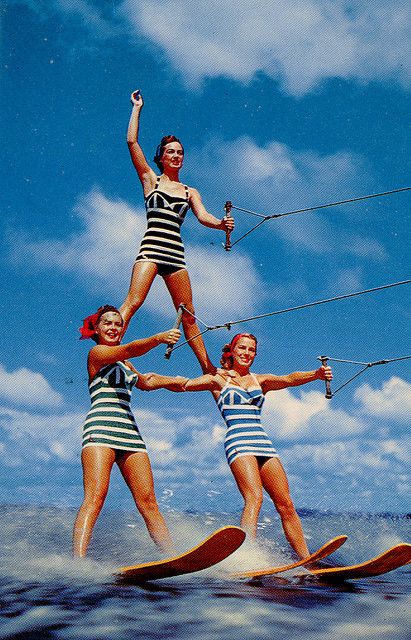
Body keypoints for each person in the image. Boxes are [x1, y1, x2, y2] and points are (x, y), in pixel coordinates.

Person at [144, 333, 333, 560]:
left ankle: (306, 559)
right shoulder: (218, 379)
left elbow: (289, 379)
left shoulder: (260, 380)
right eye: (242, 348)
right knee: (255, 497)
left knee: (286, 504)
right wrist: (152, 380)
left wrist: (316, 374)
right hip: (238, 440)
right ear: (232, 351)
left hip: (262, 441)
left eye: (251, 350)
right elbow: (183, 384)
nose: (246, 353)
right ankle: (247, 557)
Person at [119, 89, 234, 373]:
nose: (176, 156)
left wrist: (221, 224)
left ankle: (208, 369)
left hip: (176, 255)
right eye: (171, 152)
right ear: (161, 157)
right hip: (151, 249)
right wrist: (137, 108)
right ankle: (112, 347)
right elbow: (131, 141)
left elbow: (204, 216)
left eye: (180, 152)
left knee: (188, 314)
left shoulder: (189, 190)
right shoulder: (150, 180)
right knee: (134, 301)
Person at [73, 305, 184, 558]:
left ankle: (172, 557)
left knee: (149, 503)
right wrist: (158, 338)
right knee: (95, 499)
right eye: (108, 323)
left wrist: (182, 382)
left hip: (130, 433)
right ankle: (77, 563)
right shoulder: (98, 353)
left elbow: (146, 382)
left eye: (118, 324)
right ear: (97, 329)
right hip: (100, 430)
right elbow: (130, 348)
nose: (113, 327)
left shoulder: (125, 363)